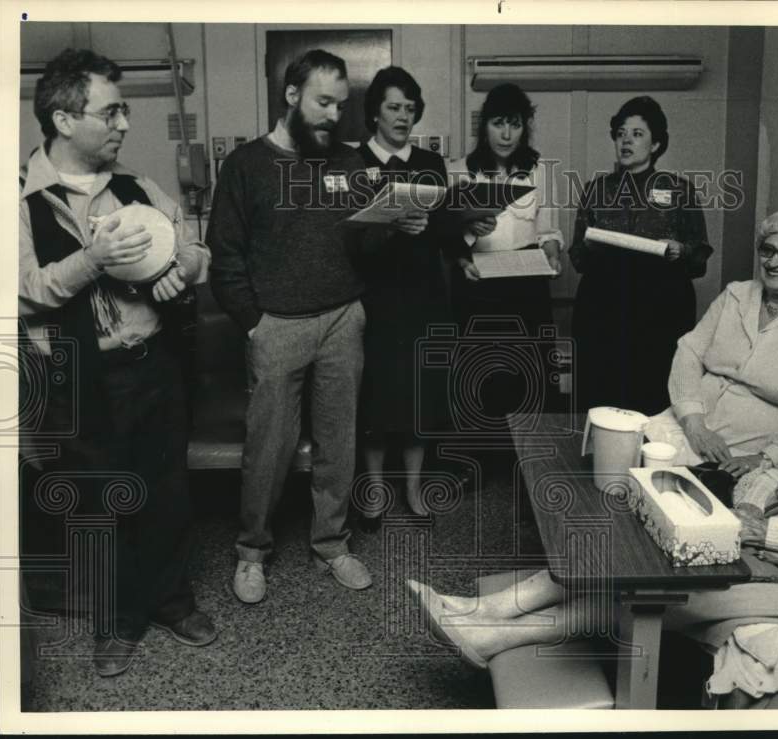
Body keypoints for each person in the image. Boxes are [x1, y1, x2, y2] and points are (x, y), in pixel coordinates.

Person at [409, 313, 778, 692]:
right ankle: (487, 609)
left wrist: (764, 533)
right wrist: (746, 507)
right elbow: (777, 470)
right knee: (637, 539)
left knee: (665, 592)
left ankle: (495, 632)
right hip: (772, 538)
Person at [18, 48, 215, 677]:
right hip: (80, 374)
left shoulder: (136, 187)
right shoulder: (20, 200)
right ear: (64, 119)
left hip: (153, 365)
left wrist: (179, 272)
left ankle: (170, 601)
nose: (125, 124)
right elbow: (22, 289)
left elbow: (194, 249)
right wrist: (94, 260)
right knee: (99, 505)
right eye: (112, 112)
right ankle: (117, 620)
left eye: (123, 109)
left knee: (168, 493)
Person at [207, 50, 403, 602]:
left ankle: (333, 544)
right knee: (268, 448)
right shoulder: (246, 166)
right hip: (278, 327)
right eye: (323, 102)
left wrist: (396, 223)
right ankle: (252, 553)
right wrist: (254, 325)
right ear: (291, 96)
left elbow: (366, 243)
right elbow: (225, 256)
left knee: (339, 442)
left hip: (344, 319)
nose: (333, 116)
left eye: (340, 106)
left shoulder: (348, 163)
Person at [645, 207, 778, 477]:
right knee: (616, 459)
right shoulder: (736, 295)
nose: (773, 262)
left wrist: (766, 457)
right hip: (686, 425)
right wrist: (694, 424)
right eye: (767, 250)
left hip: (747, 452)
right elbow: (688, 351)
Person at [570, 96, 712, 416]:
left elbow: (700, 254)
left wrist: (680, 250)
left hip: (658, 307)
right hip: (603, 304)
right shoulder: (596, 188)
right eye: (621, 133)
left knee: (651, 393)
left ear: (656, 143)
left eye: (637, 134)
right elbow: (577, 256)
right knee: (600, 392)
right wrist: (591, 246)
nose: (626, 141)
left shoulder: (679, 190)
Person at [353, 66, 451, 525]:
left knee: (418, 395)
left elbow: (445, 230)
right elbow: (346, 237)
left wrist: (469, 225)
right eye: (394, 107)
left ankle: (413, 488)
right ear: (375, 112)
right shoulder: (353, 164)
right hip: (373, 298)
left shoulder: (430, 165)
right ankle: (373, 486)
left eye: (410, 109)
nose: (403, 117)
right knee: (375, 395)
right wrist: (391, 226)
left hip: (422, 295)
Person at [447, 83, 563, 432]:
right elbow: (446, 237)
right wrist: (463, 255)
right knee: (478, 374)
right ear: (484, 127)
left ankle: (528, 463)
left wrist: (552, 257)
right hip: (479, 287)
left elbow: (548, 231)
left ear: (525, 126)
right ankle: (480, 462)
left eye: (514, 124)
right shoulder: (459, 170)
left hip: (527, 288)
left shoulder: (540, 170)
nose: (507, 134)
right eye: (498, 123)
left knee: (530, 376)